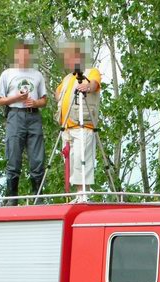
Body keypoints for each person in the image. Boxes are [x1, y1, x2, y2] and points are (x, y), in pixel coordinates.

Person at [0, 39, 47, 206]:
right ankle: (12, 197)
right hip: (15, 115)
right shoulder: (8, 74)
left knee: (37, 157)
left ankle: (37, 195)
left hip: (33, 115)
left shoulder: (37, 75)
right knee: (14, 155)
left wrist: (35, 103)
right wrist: (17, 98)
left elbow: (44, 99)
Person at [55, 39, 101, 200]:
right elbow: (58, 92)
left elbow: (95, 84)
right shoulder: (68, 78)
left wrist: (87, 87)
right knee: (72, 160)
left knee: (82, 157)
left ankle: (84, 192)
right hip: (67, 127)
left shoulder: (90, 71)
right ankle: (78, 192)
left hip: (84, 125)